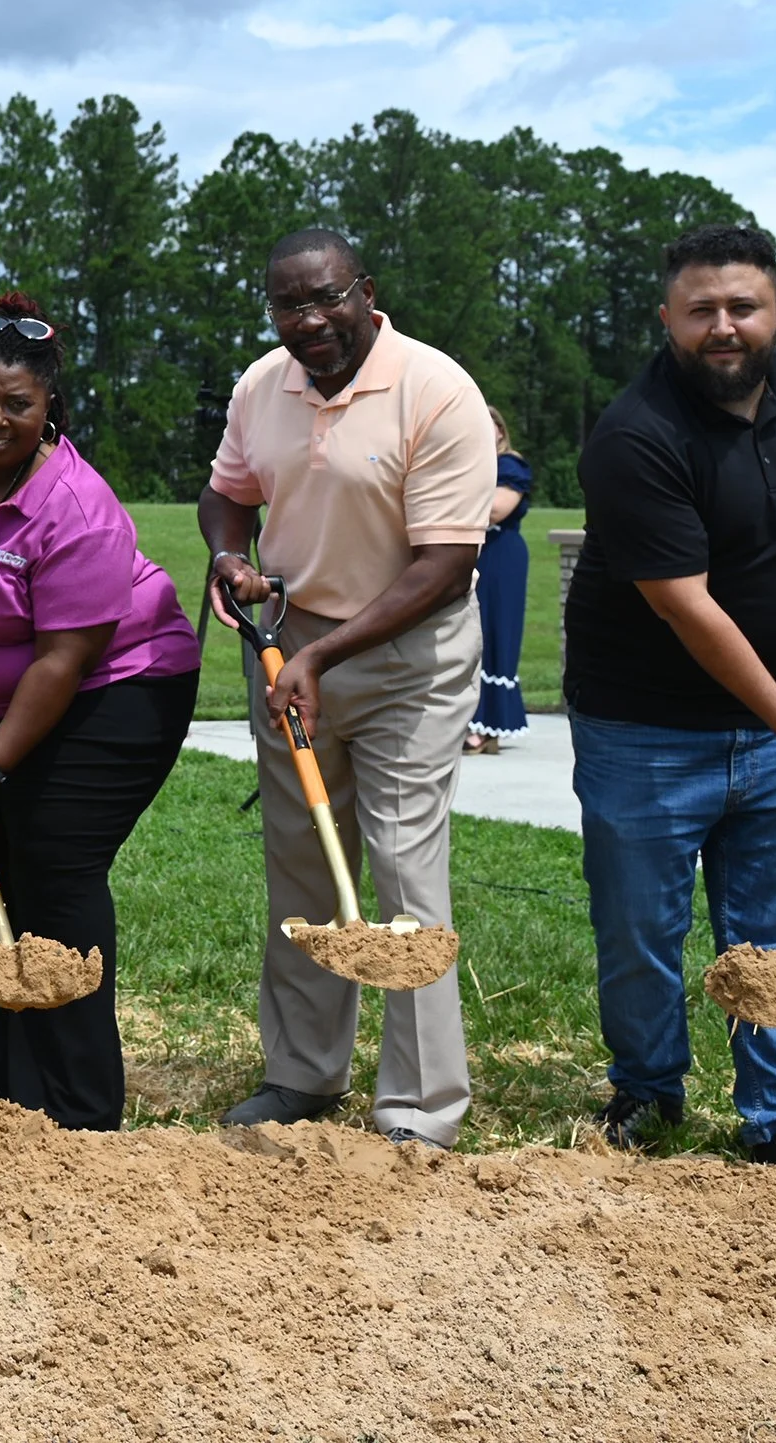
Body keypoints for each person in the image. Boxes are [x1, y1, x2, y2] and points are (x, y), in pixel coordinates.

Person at [564, 223, 776, 1164]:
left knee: (772, 923)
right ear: (668, 318)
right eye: (702, 311)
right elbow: (689, 609)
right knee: (642, 929)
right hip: (643, 729)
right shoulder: (636, 436)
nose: (724, 327)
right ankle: (648, 1085)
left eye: (743, 307)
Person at [0, 292, 200, 1131]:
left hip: (118, 687)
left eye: (17, 404)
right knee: (9, 878)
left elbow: (65, 659)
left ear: (49, 404)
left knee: (55, 866)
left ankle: (83, 1111)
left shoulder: (79, 506)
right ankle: (16, 1102)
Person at [199, 228, 493, 1150]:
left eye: (327, 298)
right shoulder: (262, 385)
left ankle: (418, 1106)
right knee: (305, 864)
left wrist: (324, 659)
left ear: (366, 290)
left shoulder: (435, 389)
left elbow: (445, 567)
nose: (311, 320)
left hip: (409, 652)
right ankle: (301, 1074)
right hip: (290, 646)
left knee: (405, 868)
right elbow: (228, 491)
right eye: (289, 305)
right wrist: (224, 553)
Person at [467, 407, 533, 753]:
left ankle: (487, 725)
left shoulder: (510, 466)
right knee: (470, 633)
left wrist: (452, 493)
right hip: (470, 556)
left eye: (487, 420)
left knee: (495, 630)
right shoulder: (464, 462)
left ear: (500, 429)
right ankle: (469, 718)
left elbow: (496, 509)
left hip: (501, 556)